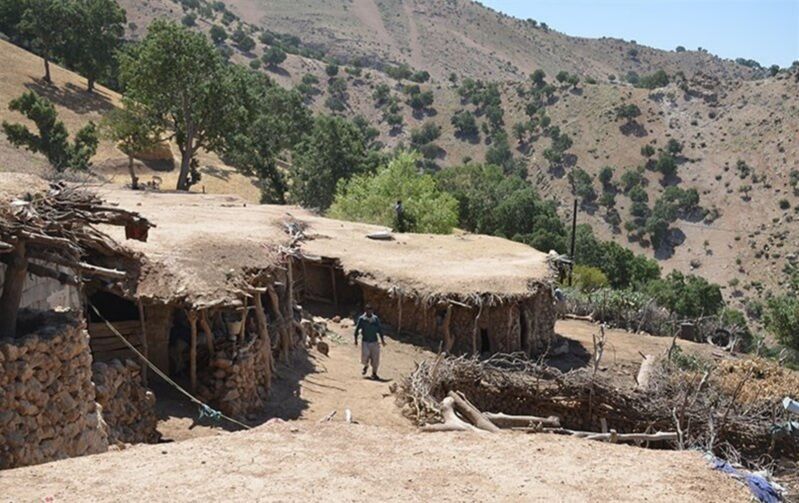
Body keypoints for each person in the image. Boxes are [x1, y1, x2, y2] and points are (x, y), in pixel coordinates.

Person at [354, 304, 386, 379]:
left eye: (371, 310)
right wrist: (355, 340)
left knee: (375, 358)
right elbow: (357, 329)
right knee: (365, 357)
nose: (370, 312)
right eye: (368, 310)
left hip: (374, 341)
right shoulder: (362, 319)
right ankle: (366, 365)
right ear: (366, 311)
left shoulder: (375, 319)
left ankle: (374, 373)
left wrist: (382, 340)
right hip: (365, 342)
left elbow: (380, 330)